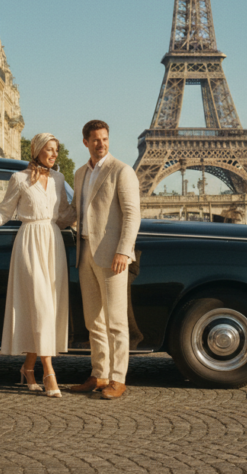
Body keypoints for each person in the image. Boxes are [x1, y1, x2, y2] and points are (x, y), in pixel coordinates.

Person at [0, 133, 76, 398]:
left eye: (56, 150)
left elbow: (65, 215)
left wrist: (92, 215)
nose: (54, 154)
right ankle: (49, 372)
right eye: (49, 149)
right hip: (30, 242)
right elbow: (4, 212)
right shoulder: (19, 179)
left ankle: (28, 367)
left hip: (52, 243)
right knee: (41, 304)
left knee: (46, 308)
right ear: (37, 151)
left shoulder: (59, 179)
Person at [69, 120, 141, 400]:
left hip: (112, 254)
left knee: (116, 320)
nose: (101, 143)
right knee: (93, 321)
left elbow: (133, 214)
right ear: (85, 142)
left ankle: (118, 378)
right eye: (96, 139)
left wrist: (124, 250)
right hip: (85, 251)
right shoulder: (79, 174)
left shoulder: (122, 171)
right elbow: (74, 211)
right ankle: (99, 373)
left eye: (105, 139)